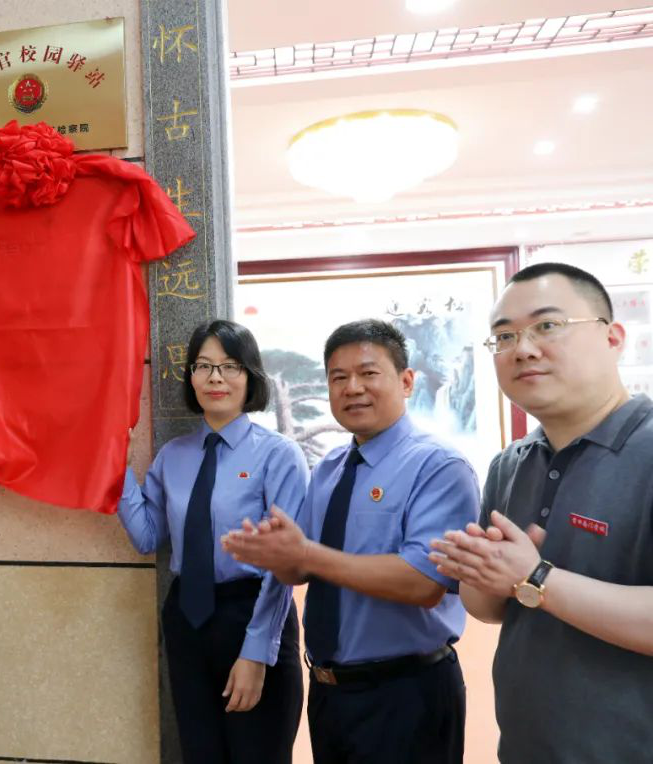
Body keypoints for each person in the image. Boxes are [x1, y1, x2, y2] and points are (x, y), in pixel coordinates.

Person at [223, 319, 479, 764]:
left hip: (406, 694)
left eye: (368, 373)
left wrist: (306, 553)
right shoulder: (330, 468)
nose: (352, 388)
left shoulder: (439, 466)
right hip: (329, 693)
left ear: (406, 381)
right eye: (338, 377)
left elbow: (424, 582)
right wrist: (276, 553)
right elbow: (300, 569)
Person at [429, 262, 653, 763]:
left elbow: (532, 583)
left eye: (547, 325)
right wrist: (481, 571)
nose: (523, 349)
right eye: (504, 336)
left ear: (613, 338)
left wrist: (536, 577)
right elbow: (490, 610)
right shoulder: (511, 464)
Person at [118, 320, 308, 763]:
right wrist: (119, 467)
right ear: (191, 377)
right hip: (187, 618)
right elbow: (147, 537)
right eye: (203, 366)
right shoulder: (173, 456)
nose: (215, 378)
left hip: (253, 613)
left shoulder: (278, 455)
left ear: (250, 376)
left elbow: (284, 565)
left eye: (229, 366)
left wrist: (256, 652)